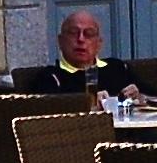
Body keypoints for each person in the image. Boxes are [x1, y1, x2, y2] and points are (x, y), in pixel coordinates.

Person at [12, 7, 140, 98]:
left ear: (99, 43)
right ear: (60, 41)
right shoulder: (51, 77)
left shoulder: (116, 67)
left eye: (88, 34)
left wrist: (140, 97)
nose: (81, 39)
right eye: (73, 33)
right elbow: (48, 116)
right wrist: (88, 105)